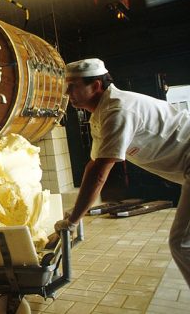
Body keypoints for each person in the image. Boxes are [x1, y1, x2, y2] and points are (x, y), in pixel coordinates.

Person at [54, 58, 190, 286]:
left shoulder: (119, 109)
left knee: (182, 243)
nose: (67, 92)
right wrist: (75, 211)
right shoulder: (101, 113)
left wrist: (74, 220)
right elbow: (93, 164)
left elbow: (100, 173)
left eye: (73, 86)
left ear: (96, 86)